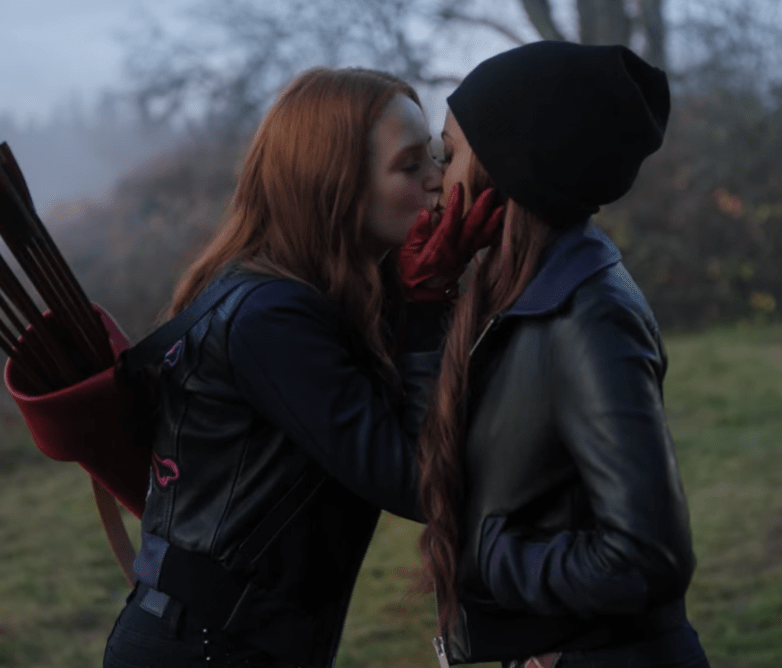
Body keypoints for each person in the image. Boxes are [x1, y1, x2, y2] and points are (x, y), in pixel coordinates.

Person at [103, 67, 498, 668]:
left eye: (436, 157)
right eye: (409, 165)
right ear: (336, 184)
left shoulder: (330, 294)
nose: (437, 180)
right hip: (205, 652)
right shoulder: (271, 318)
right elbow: (420, 481)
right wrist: (427, 302)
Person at [412, 41, 711, 667]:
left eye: (450, 153)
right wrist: (421, 298)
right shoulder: (520, 297)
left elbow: (647, 556)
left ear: (511, 166)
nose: (436, 178)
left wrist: (487, 555)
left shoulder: (589, 314)